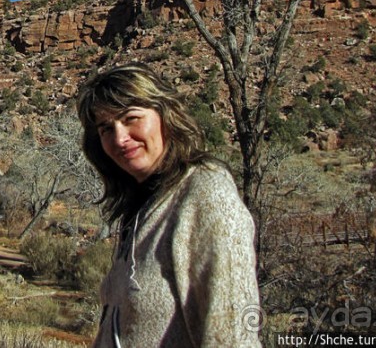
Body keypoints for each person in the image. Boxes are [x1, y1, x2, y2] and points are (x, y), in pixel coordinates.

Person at [77, 62, 261, 347]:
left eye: (130, 118)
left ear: (166, 115)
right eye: (106, 128)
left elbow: (232, 336)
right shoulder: (143, 205)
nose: (120, 138)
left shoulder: (206, 195)